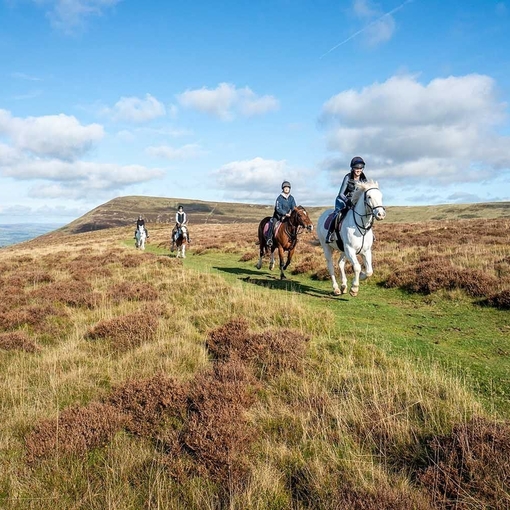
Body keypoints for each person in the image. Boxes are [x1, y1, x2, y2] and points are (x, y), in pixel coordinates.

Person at [325, 156, 368, 243]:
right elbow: (341, 193)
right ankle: (330, 234)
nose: (358, 170)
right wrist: (348, 202)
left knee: (367, 214)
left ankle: (369, 233)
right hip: (344, 200)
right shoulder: (347, 177)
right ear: (352, 168)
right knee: (338, 214)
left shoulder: (364, 179)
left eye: (360, 168)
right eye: (356, 168)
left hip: (357, 202)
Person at [266, 180, 297, 246]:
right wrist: (285, 213)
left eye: (288, 187)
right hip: (278, 216)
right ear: (283, 189)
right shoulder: (279, 198)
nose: (286, 189)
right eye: (285, 187)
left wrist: (292, 213)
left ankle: (294, 238)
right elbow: (278, 208)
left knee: (293, 225)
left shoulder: (291, 198)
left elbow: (294, 207)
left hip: (288, 217)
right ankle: (269, 239)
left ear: (289, 189)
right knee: (273, 224)